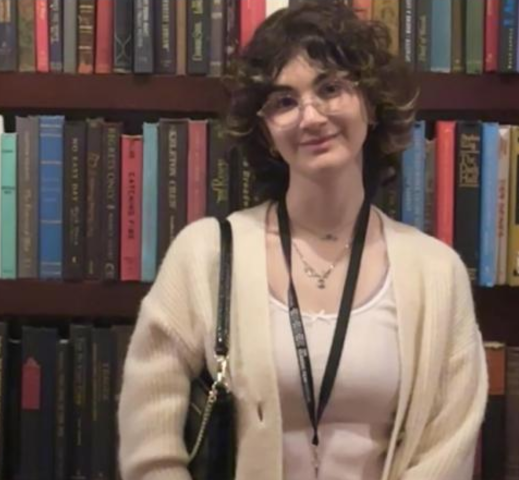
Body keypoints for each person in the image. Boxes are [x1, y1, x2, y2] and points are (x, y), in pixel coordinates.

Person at [117, 2, 488, 479]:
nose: (310, 116)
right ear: (267, 133)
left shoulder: (438, 272)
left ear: (371, 105)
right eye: (284, 101)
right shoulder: (205, 254)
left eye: (331, 88)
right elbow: (149, 440)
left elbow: (448, 447)